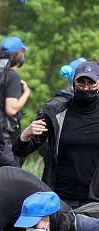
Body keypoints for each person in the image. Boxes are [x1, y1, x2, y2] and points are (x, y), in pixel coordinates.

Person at [13, 60, 99, 208]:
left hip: (95, 200)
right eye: (81, 82)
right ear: (73, 84)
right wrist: (25, 135)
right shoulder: (56, 113)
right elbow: (20, 150)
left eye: (91, 83)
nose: (86, 88)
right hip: (61, 198)